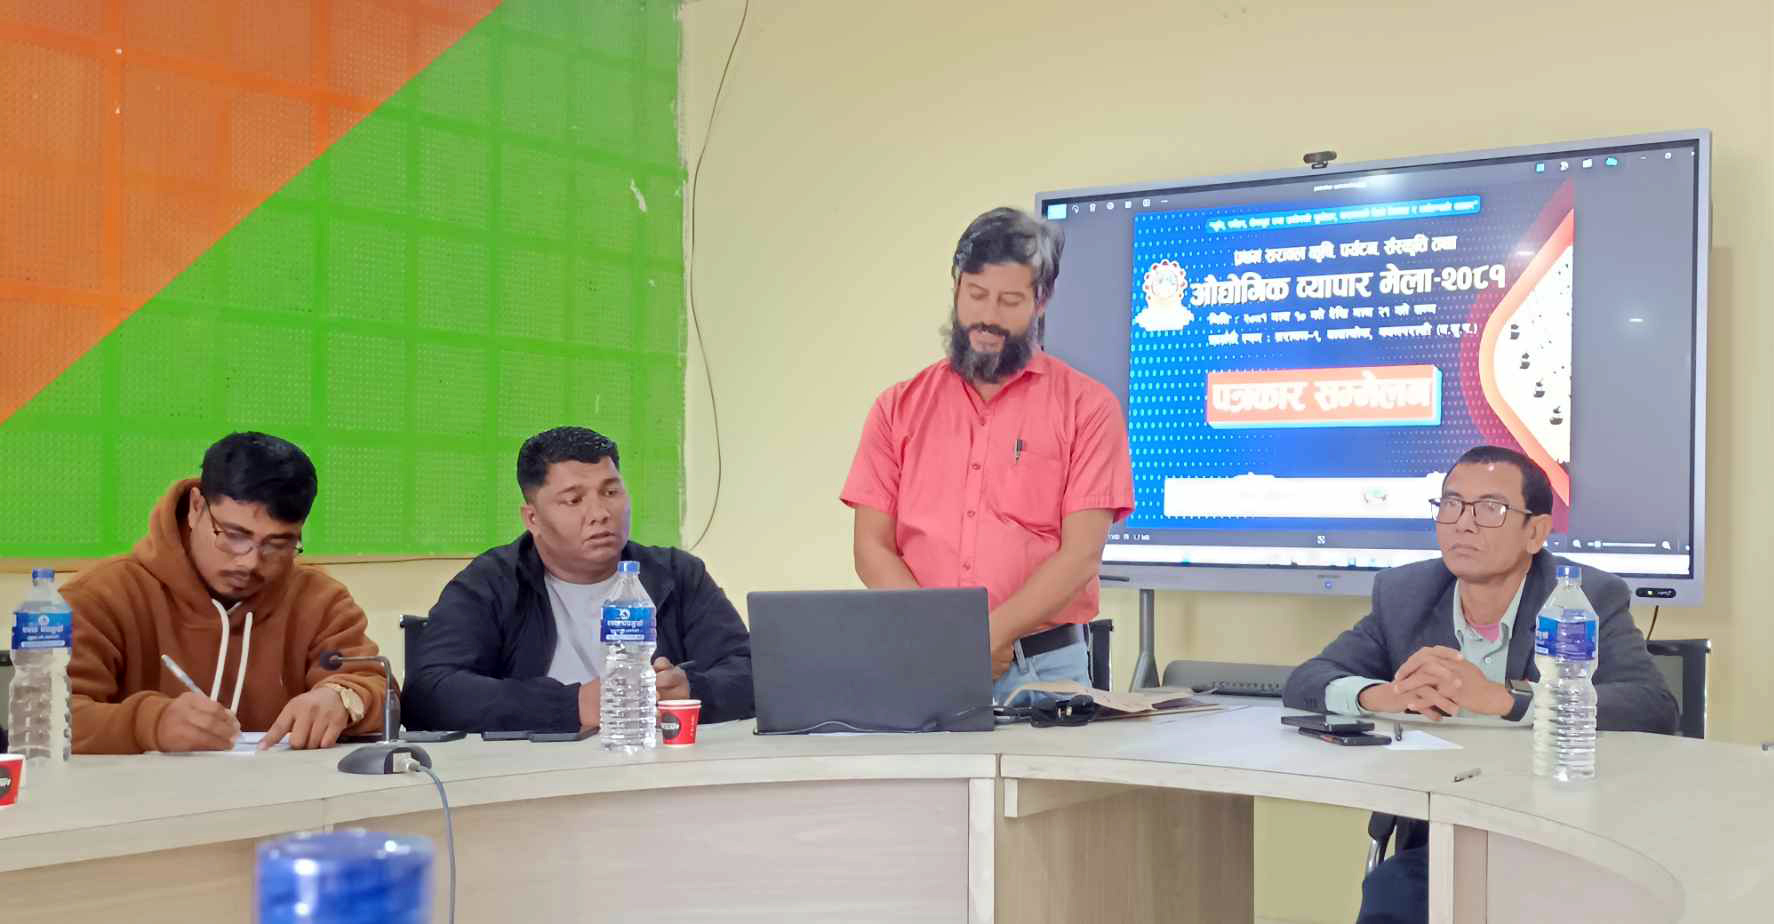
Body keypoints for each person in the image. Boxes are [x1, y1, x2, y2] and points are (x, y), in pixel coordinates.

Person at [1283, 444, 1677, 924]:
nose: (1463, 524)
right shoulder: (1405, 594)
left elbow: (1653, 706)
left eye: (1490, 508)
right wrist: (1383, 695)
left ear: (1536, 532)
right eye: (1451, 504)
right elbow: (1307, 680)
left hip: (1565, 833)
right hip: (1447, 838)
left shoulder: (1584, 596)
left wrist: (1507, 701)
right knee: (1394, 893)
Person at [842, 207, 1134, 703]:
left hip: (1044, 672)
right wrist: (948, 639)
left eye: (1009, 301)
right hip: (922, 658)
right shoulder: (897, 408)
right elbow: (872, 547)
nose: (988, 317)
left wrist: (989, 636)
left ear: (1041, 300)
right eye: (976, 295)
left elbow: (1081, 554)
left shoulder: (1088, 407)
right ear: (956, 287)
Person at [403, 427, 753, 732]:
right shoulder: (491, 583)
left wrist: (691, 691)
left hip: (655, 766)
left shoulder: (677, 575)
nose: (600, 514)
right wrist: (573, 705)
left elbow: (753, 672)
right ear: (533, 518)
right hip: (534, 774)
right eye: (573, 500)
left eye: (611, 492)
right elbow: (428, 693)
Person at [65, 432, 388, 753]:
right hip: (137, 788)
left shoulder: (319, 600)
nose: (250, 562)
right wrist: (149, 724)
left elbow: (376, 685)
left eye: (277, 544)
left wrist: (342, 698)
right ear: (196, 508)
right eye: (234, 535)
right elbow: (51, 718)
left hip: (278, 786)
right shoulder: (101, 596)